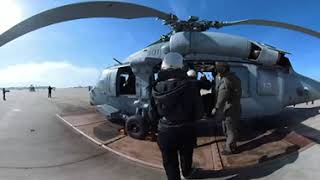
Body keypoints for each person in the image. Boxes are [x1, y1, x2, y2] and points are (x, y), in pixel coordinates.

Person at [152, 52, 203, 180]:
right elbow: (199, 113)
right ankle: (186, 173)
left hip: (164, 131)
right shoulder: (191, 86)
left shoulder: (156, 88)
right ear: (181, 67)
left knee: (169, 162)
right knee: (186, 156)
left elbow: (152, 113)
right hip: (186, 130)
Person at [212, 61, 242, 155]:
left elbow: (222, 96)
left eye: (218, 68)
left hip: (229, 108)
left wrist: (216, 108)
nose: (217, 70)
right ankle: (230, 144)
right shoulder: (235, 77)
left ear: (223, 69)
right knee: (232, 127)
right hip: (235, 106)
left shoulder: (226, 80)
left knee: (229, 129)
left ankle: (230, 149)